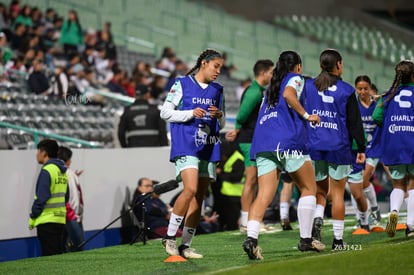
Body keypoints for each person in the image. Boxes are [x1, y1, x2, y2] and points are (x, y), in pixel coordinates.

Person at [243, 50, 323, 260]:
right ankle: (306, 240)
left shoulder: (270, 87)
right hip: (287, 141)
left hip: (263, 143)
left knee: (263, 195)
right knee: (308, 187)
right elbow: (289, 95)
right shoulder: (294, 79)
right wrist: (307, 115)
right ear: (297, 66)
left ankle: (251, 238)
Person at [160, 48, 225, 259]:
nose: (218, 71)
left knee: (199, 197)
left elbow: (221, 124)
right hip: (186, 144)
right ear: (204, 64)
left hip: (208, 144)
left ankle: (185, 245)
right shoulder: (182, 83)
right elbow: (165, 112)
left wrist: (220, 115)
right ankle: (169, 237)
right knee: (190, 189)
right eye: (216, 66)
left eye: (221, 68)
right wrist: (190, 113)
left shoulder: (217, 90)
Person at [304, 49, 366, 250]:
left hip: (314, 145)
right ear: (338, 65)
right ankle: (338, 240)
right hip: (338, 146)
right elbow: (355, 123)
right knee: (337, 194)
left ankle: (317, 219)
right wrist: (362, 147)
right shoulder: (347, 90)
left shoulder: (309, 86)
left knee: (319, 190)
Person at [225, 59, 274, 233]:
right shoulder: (254, 92)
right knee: (251, 180)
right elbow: (242, 115)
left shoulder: (258, 90)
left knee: (254, 181)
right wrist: (237, 129)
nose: (272, 75)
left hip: (253, 140)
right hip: (248, 141)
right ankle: (246, 222)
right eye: (271, 72)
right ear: (263, 73)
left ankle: (252, 220)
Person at [372, 60, 414, 237]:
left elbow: (376, 117)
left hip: (393, 143)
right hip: (411, 142)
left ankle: (394, 211)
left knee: (398, 184)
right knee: (412, 185)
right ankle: (411, 225)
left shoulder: (387, 96)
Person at [28, 139, 69, 256]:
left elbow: (41, 197)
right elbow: (66, 197)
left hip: (46, 221)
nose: (37, 154)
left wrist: (33, 214)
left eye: (38, 151)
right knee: (57, 257)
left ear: (44, 153)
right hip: (60, 220)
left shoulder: (47, 170)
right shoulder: (62, 171)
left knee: (49, 259)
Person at [354, 75, 382, 225]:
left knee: (362, 180)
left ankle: (365, 216)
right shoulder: (354, 106)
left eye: (366, 88)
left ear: (370, 88)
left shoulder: (378, 105)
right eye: (360, 89)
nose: (363, 91)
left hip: (374, 149)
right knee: (356, 185)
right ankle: (370, 210)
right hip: (359, 149)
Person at [57, 146, 85, 252]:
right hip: (71, 216)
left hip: (66, 215)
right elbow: (74, 198)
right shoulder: (68, 173)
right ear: (67, 160)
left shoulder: (61, 172)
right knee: (78, 247)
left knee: (65, 246)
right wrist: (76, 216)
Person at [214, 139, 245, 231]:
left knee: (232, 220)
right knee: (227, 219)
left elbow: (237, 177)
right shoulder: (229, 157)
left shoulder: (238, 159)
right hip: (227, 194)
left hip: (235, 195)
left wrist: (221, 173)